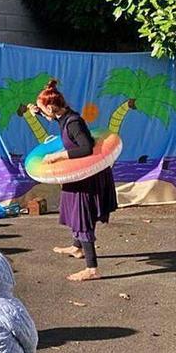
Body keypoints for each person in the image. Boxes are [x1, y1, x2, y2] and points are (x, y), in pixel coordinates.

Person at [26, 79, 118, 281]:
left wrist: (57, 156)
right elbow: (56, 120)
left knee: (82, 217)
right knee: (75, 212)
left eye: (43, 108)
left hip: (88, 179)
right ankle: (77, 248)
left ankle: (91, 269)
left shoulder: (74, 122)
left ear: (52, 106)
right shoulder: (64, 116)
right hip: (80, 177)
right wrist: (39, 113)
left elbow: (86, 148)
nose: (43, 112)